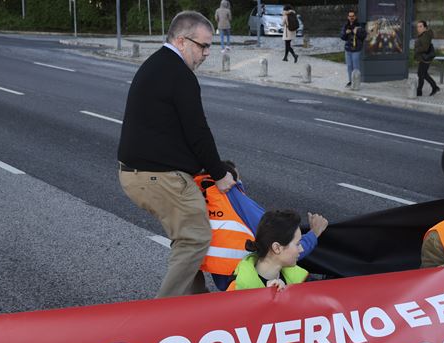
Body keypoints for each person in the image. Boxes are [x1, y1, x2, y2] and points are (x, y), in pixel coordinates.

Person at [118, 11, 235, 298]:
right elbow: (197, 132)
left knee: (186, 239)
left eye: (210, 46)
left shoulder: (157, 64)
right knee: (195, 238)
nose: (207, 53)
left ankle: (196, 307)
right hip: (159, 177)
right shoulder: (180, 75)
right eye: (203, 46)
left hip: (138, 174)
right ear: (182, 41)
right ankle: (163, 318)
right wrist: (219, 174)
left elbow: (173, 132)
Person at [195, 161, 328, 290]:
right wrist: (314, 234)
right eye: (239, 181)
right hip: (246, 279)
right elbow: (280, 242)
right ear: (231, 180)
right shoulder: (238, 203)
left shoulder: (197, 200)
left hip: (222, 275)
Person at [228, 210, 309, 291]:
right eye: (297, 244)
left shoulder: (301, 277)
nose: (301, 249)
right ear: (277, 248)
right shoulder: (237, 289)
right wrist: (265, 297)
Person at [340, 9, 366, 87]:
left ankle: (356, 82)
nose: (351, 17)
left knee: (356, 66)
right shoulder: (345, 26)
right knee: (349, 66)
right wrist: (345, 33)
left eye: (353, 16)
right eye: (350, 16)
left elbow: (363, 36)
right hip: (348, 49)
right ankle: (350, 81)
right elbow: (342, 37)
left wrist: (357, 32)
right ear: (348, 17)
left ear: (355, 17)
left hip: (356, 50)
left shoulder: (359, 25)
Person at [414, 20, 439, 97]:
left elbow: (425, 48)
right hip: (423, 58)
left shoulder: (425, 35)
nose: (418, 28)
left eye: (421, 26)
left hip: (425, 58)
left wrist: (416, 49)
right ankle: (434, 87)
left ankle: (419, 91)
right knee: (422, 74)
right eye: (418, 26)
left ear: (425, 27)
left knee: (421, 74)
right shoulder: (422, 35)